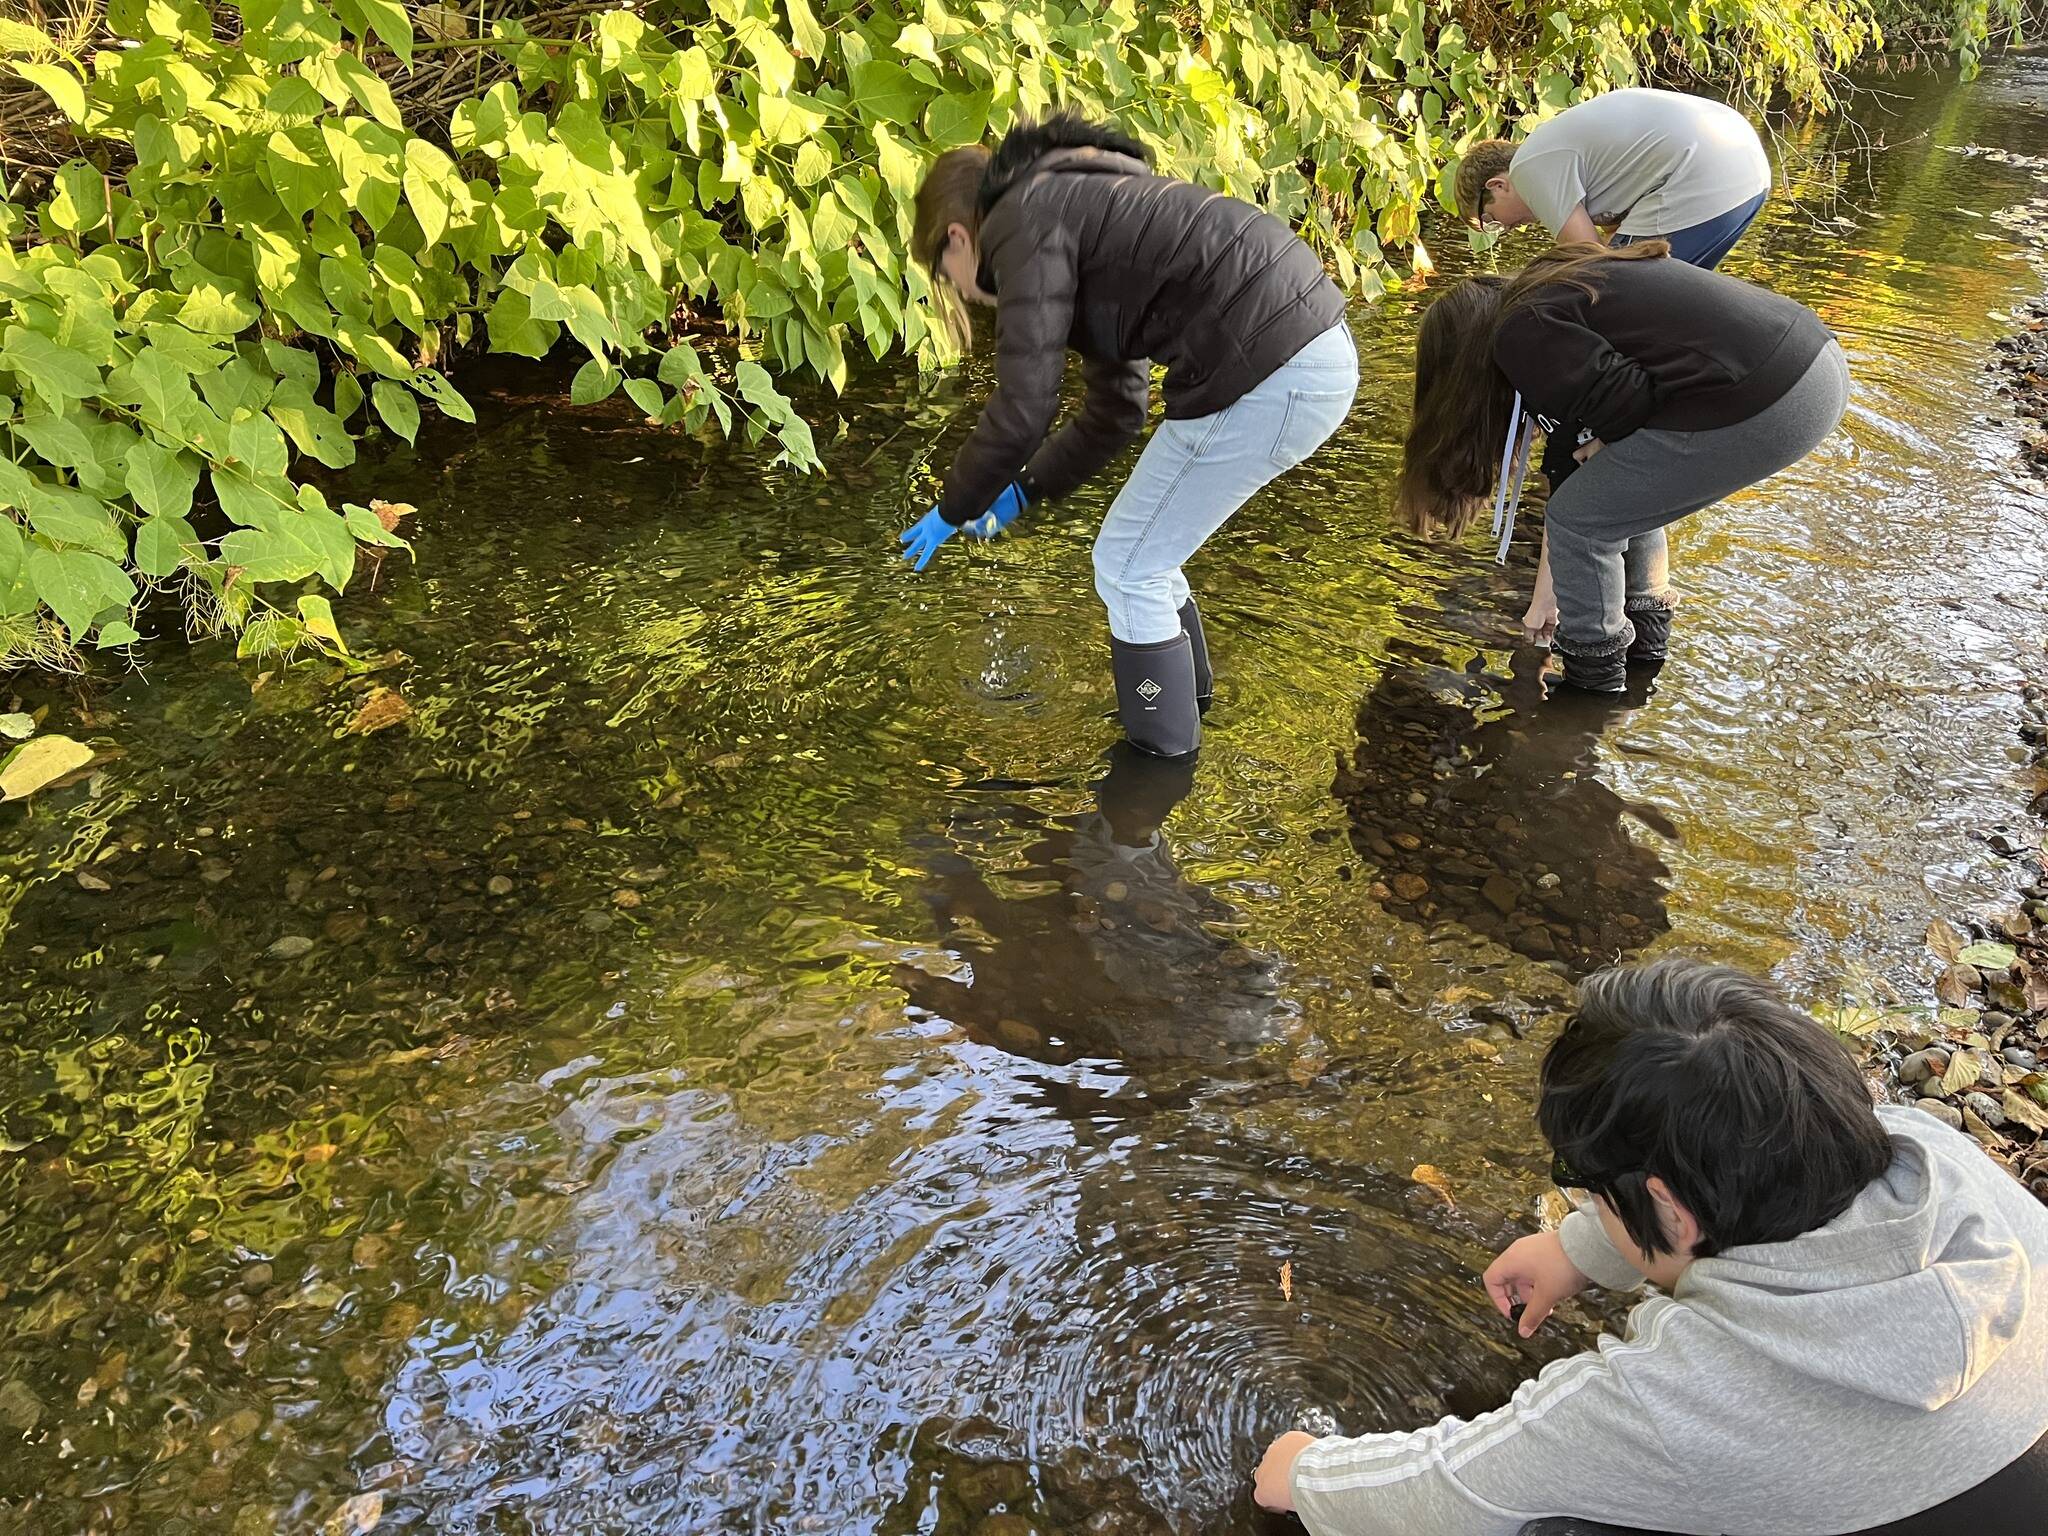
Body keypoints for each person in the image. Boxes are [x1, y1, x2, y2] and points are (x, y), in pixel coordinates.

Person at [1250, 957, 2048, 1535]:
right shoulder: (1929, 1155)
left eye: (1592, 1193)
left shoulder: (1672, 1402)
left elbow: (1456, 1488)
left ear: (1666, 1207)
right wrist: (1581, 1248)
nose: (1586, 1207)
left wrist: (1307, 1476)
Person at [899, 114, 1359, 757]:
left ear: (956, 235)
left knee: (1126, 564)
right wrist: (1026, 491)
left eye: (946, 273)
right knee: (1147, 553)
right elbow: (1117, 407)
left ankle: (1158, 776)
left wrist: (956, 505)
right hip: (1310, 351)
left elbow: (1025, 404)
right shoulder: (1076, 203)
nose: (965, 295)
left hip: (1267, 362)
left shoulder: (1019, 220)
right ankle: (1190, 716)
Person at [1393, 242, 1848, 694]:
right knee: (1621, 489)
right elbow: (1597, 452)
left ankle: (1593, 691)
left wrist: (1548, 598)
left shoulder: (1520, 333)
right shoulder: (1550, 288)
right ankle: (1646, 655)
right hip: (1814, 362)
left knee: (1582, 523)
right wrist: (1605, 446)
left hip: (1771, 394)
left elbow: (1623, 414)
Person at [1454, 87, 1774, 628]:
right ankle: (1628, 450)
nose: (1502, 230)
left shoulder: (1533, 165)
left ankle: (1548, 603)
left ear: (1498, 184)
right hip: (1742, 168)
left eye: (1489, 217)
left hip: (1708, 174)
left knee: (1611, 309)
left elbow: (1591, 272)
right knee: (1654, 322)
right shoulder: (1567, 156)